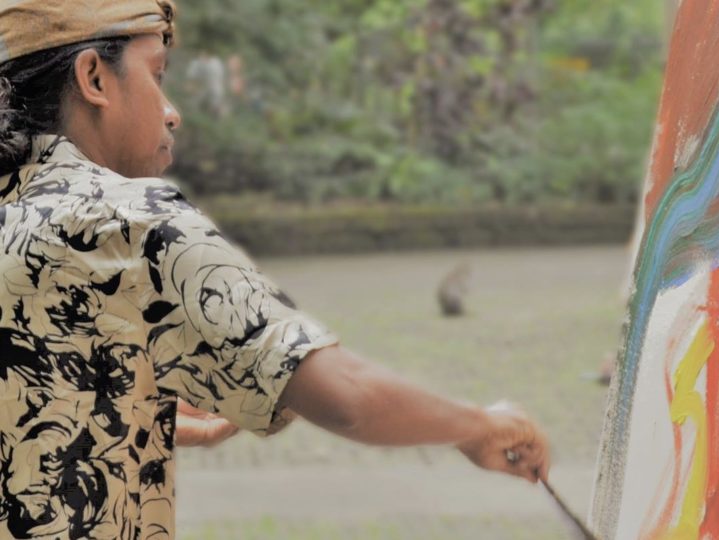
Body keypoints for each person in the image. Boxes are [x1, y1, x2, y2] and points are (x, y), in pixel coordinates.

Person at [0, 2, 550, 539]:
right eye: (156, 75)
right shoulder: (128, 219)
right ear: (94, 77)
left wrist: (109, 406)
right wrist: (480, 426)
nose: (172, 111)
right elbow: (345, 395)